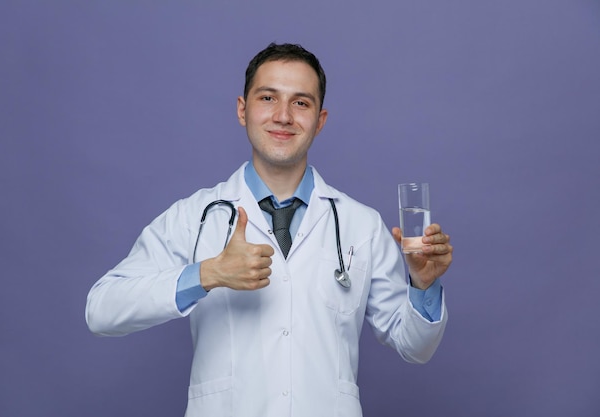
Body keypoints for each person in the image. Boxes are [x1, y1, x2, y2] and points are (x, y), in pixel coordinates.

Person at [86, 42, 453, 417]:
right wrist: (208, 273)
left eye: (301, 103)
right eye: (267, 98)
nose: (283, 116)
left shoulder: (361, 225)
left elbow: (415, 346)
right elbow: (101, 310)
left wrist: (423, 287)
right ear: (242, 111)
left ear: (320, 120)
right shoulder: (195, 217)